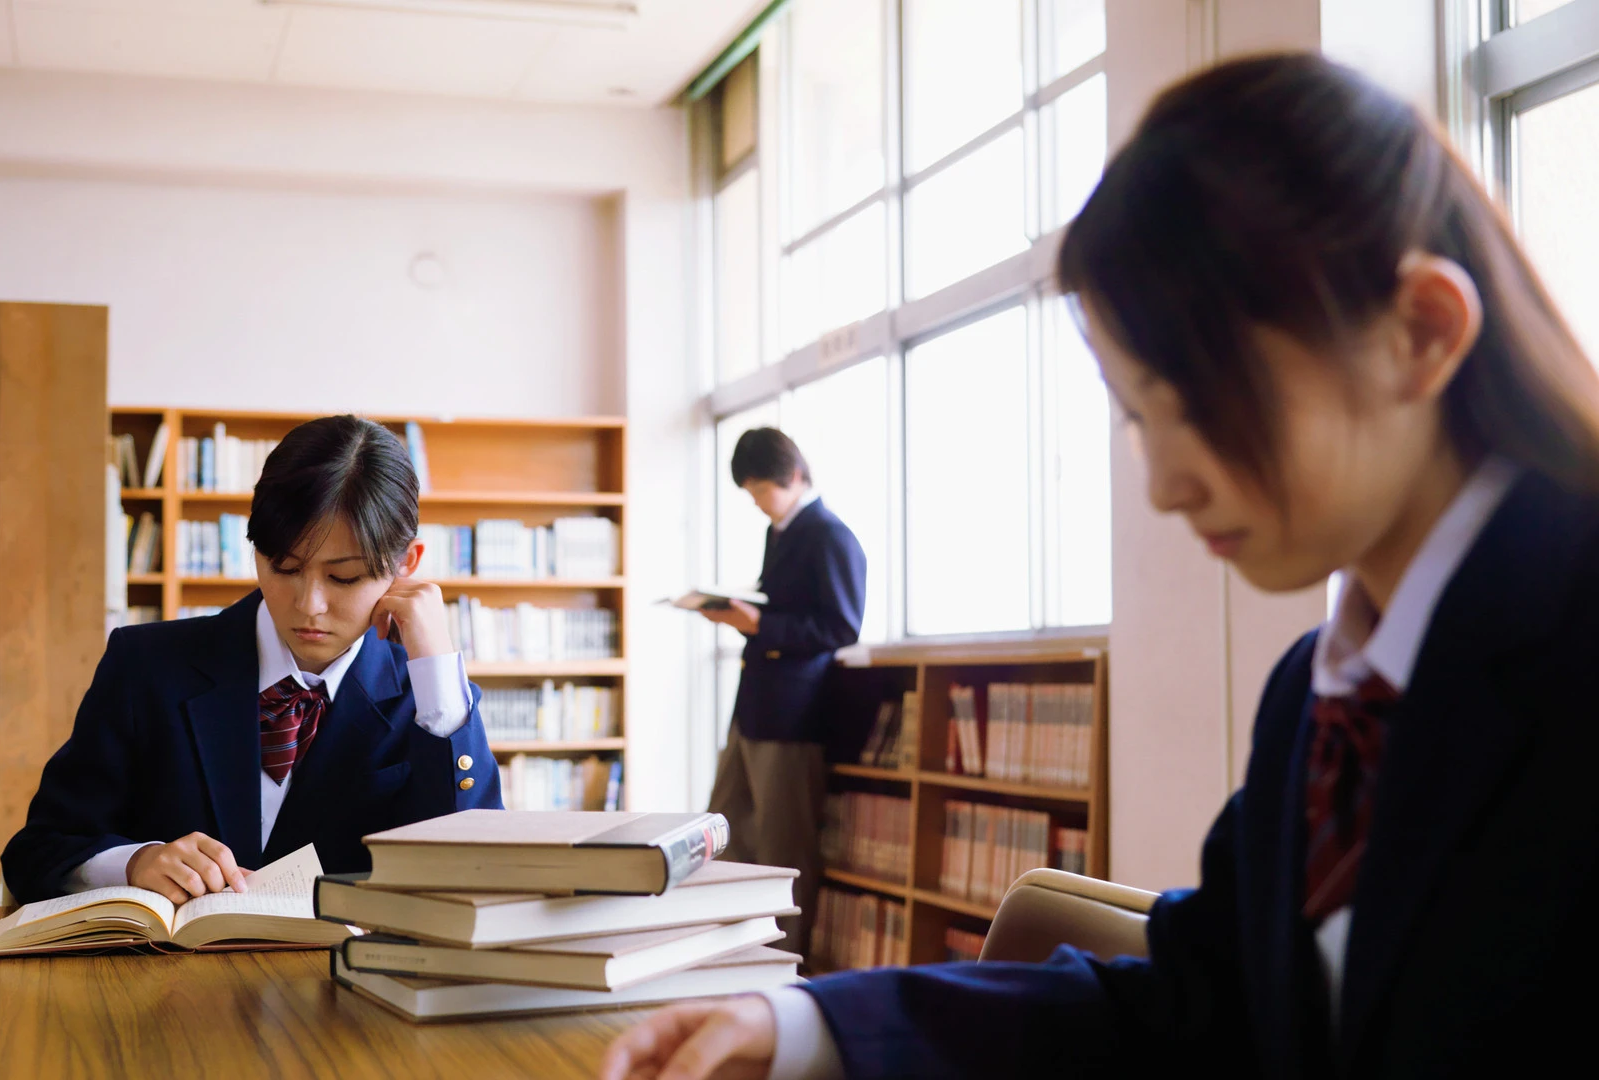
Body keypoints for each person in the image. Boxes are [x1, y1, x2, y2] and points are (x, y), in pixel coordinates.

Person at [602, 52, 1599, 1080]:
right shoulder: (1319, 694)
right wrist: (806, 1029)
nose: (1165, 483)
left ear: (1421, 331)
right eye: (1137, 414)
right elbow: (1197, 1003)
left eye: (1202, 400)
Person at [2, 415, 502, 904]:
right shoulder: (145, 665)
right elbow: (35, 853)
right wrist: (134, 862)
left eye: (344, 578)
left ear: (406, 566)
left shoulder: (430, 702)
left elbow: (478, 875)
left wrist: (437, 671)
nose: (310, 605)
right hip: (159, 981)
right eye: (284, 567)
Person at [705, 428, 866, 956]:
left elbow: (841, 627)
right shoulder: (781, 532)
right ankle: (727, 953)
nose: (756, 502)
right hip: (753, 709)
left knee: (781, 850)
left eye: (760, 490)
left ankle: (778, 966)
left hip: (792, 715)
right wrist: (743, 614)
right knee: (724, 831)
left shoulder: (830, 535)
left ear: (793, 475)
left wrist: (761, 626)